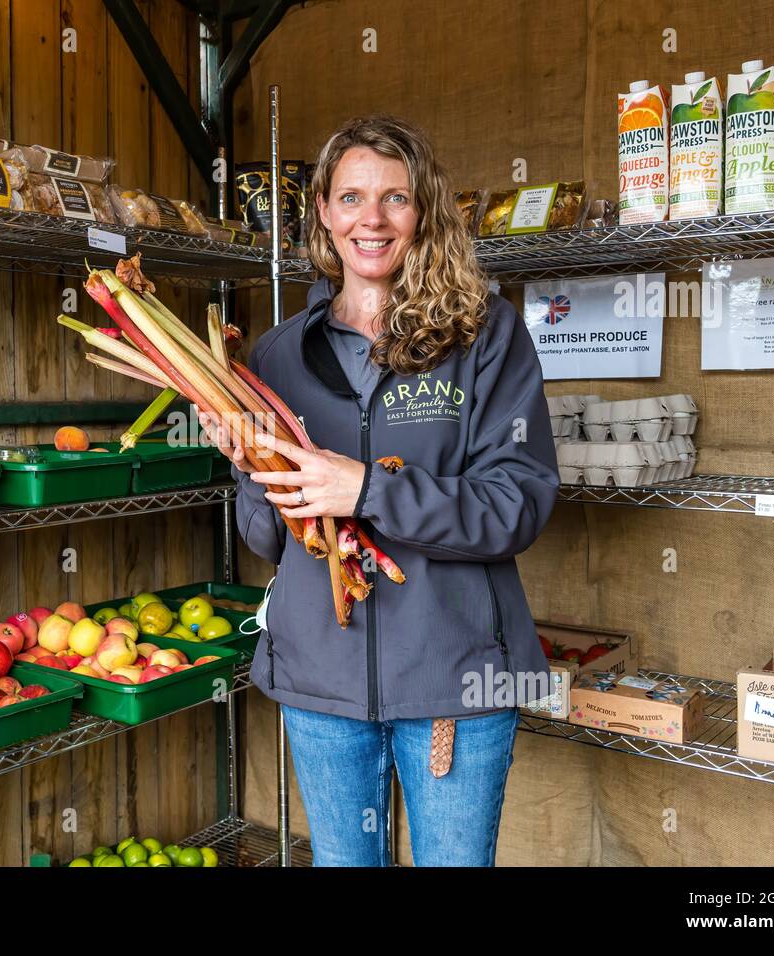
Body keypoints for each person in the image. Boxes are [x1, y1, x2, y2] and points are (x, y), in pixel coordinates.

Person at [200, 115, 558, 867]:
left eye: (394, 198)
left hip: (453, 679)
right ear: (324, 214)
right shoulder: (276, 354)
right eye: (352, 196)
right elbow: (268, 541)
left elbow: (518, 504)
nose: (372, 218)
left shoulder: (485, 336)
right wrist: (249, 465)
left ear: (423, 210)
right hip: (321, 683)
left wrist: (363, 488)